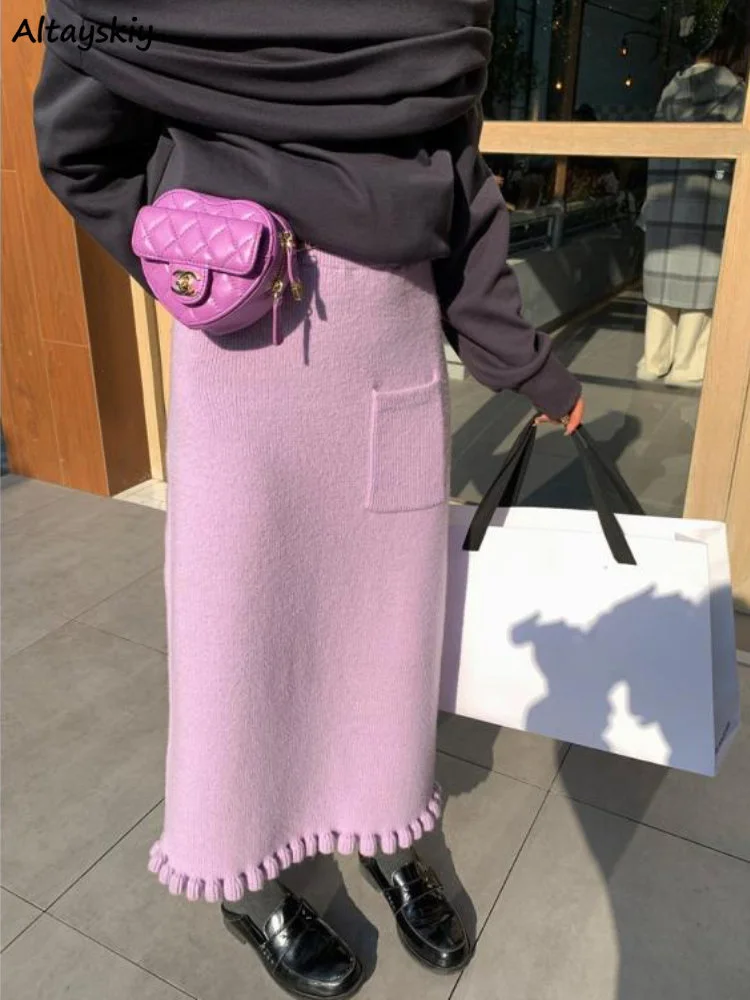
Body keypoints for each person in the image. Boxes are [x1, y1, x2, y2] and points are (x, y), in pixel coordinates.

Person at [33, 2, 584, 997]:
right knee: (238, 635)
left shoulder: (437, 14)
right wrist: (193, 257)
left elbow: (462, 194)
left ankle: (385, 826)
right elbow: (81, 152)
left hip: (391, 357)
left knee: (386, 634)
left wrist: (526, 363)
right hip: (240, 357)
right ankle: (245, 875)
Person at [637, 2, 749, 387]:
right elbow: (728, 158)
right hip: (708, 205)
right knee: (701, 291)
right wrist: (718, 185)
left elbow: (657, 150)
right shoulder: (737, 93)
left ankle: (653, 361)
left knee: (662, 288)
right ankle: (685, 367)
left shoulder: (673, 89)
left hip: (666, 199)